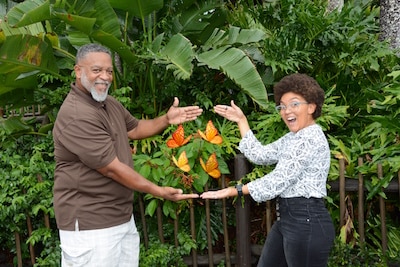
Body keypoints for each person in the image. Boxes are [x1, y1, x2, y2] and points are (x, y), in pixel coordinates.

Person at [52, 43, 202, 267]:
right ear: (78, 71)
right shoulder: (77, 115)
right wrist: (158, 191)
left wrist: (166, 119)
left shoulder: (107, 102)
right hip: (91, 225)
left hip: (120, 217)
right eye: (96, 70)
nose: (105, 76)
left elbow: (134, 129)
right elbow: (111, 168)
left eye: (109, 71)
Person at [201, 73, 335, 267]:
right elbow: (260, 155)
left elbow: (278, 180)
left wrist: (234, 190)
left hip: (307, 223)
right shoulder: (293, 138)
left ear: (312, 107)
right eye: (282, 106)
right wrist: (241, 120)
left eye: (294, 104)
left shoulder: (310, 138)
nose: (287, 110)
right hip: (288, 221)